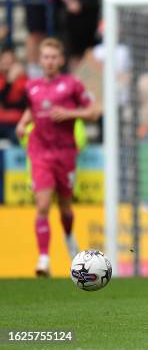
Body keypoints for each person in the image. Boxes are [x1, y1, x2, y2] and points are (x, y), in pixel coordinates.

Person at [15, 38, 101, 277]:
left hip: (65, 152)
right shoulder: (32, 86)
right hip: (40, 151)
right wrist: (23, 123)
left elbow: (93, 112)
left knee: (65, 208)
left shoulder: (73, 84)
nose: (50, 61)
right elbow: (32, 109)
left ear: (61, 60)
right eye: (45, 57)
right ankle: (43, 259)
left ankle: (69, 235)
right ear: (40, 60)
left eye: (54, 57)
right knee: (42, 205)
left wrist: (70, 113)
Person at [0, 48, 28, 144]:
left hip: (16, 123)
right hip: (1, 122)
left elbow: (25, 104)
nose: (7, 63)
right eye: (4, 60)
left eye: (10, 61)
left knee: (21, 138)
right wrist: (9, 81)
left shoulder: (23, 80)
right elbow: (3, 102)